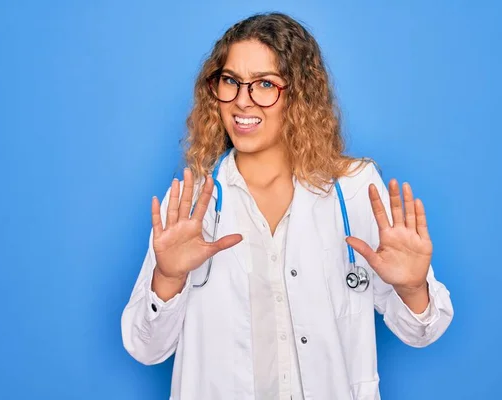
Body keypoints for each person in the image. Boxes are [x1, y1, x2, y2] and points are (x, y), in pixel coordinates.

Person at [121, 12, 453, 400]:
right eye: (230, 81)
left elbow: (422, 332)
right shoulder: (192, 205)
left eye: (264, 84)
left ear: (300, 94)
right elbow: (145, 348)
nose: (242, 101)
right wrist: (168, 280)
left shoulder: (355, 190)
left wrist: (413, 288)